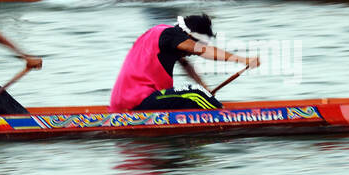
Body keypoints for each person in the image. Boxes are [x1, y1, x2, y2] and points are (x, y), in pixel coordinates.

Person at [110, 13, 258, 111]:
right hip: (139, 100)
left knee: (199, 92)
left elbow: (187, 66)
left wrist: (205, 88)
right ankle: (229, 118)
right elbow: (202, 51)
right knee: (196, 93)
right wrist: (243, 59)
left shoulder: (162, 36)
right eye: (196, 44)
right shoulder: (170, 35)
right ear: (189, 35)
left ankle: (216, 111)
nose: (189, 54)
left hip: (124, 102)